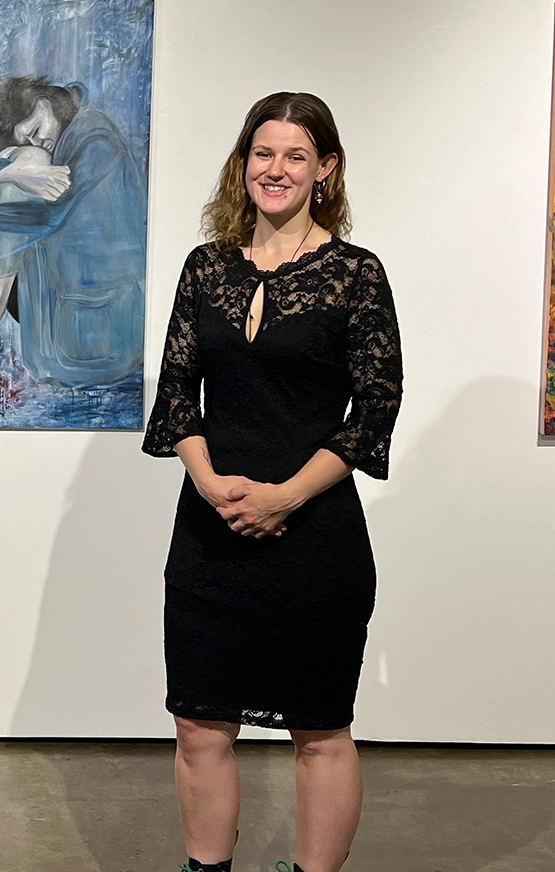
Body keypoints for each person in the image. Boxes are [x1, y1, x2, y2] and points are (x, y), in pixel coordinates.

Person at [142, 92, 403, 872]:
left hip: (315, 534)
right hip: (209, 532)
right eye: (263, 153)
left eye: (295, 155)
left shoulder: (356, 274)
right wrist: (213, 482)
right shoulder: (206, 267)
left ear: (325, 169)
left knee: (319, 730)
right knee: (198, 725)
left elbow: (376, 407)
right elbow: (176, 393)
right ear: (243, 163)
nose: (276, 169)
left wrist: (286, 495)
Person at [0, 76, 147, 387]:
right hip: (60, 303)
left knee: (28, 167)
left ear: (43, 102)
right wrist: (12, 171)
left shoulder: (95, 141)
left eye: (34, 131)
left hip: (95, 336)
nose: (39, 141)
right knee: (16, 167)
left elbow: (29, 222)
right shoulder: (71, 127)